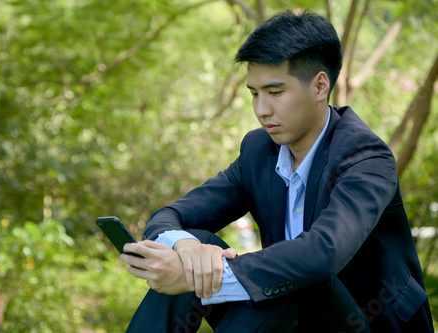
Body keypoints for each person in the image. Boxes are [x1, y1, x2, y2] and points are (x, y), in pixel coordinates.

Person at [119, 10, 434, 332]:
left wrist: (189, 276)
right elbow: (171, 215)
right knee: (197, 244)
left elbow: (323, 254)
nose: (261, 110)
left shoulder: (366, 157)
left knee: (298, 270)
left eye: (275, 92)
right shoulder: (258, 151)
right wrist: (185, 249)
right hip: (288, 318)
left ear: (320, 86)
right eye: (254, 94)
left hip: (366, 322)